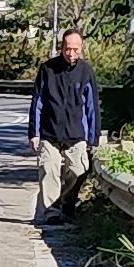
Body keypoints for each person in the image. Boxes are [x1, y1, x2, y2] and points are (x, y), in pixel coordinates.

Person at [28, 26, 100, 219]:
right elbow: (38, 102)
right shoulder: (47, 69)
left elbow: (92, 107)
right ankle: (51, 213)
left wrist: (93, 138)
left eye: (76, 49)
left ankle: (66, 203)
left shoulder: (86, 72)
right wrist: (34, 134)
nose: (71, 53)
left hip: (76, 133)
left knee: (79, 170)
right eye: (68, 48)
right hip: (49, 132)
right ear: (62, 47)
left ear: (82, 48)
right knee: (49, 169)